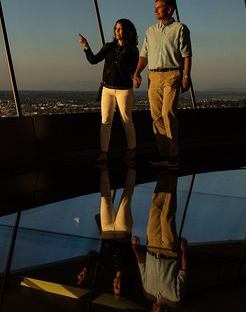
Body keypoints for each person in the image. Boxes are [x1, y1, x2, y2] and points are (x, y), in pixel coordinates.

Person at [132, 0, 192, 166]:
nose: (155, 10)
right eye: (155, 7)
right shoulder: (150, 31)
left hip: (172, 74)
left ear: (169, 9)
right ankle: (163, 154)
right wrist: (137, 73)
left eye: (158, 7)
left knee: (168, 112)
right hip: (154, 76)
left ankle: (174, 154)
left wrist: (186, 76)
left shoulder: (180, 28)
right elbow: (144, 55)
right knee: (156, 115)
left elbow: (187, 55)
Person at [79, 19, 139, 164]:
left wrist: (137, 77)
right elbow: (94, 60)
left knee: (126, 120)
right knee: (105, 121)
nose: (118, 31)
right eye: (116, 29)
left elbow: (134, 70)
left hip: (124, 90)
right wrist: (86, 47)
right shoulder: (108, 47)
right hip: (107, 89)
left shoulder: (132, 50)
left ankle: (132, 149)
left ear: (128, 31)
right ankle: (103, 152)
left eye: (121, 28)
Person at [77, 163, 137, 298]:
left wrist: (85, 269)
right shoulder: (130, 267)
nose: (116, 284)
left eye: (115, 287)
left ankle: (104, 168)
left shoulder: (107, 267)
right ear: (125, 284)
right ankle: (131, 167)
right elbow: (135, 251)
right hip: (123, 231)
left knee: (104, 199)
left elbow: (92, 255)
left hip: (107, 231)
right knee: (126, 199)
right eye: (119, 287)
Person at [131, 169, 188, 310]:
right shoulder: (174, 299)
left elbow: (142, 266)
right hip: (169, 251)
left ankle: (163, 172)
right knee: (167, 214)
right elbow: (183, 273)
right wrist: (184, 252)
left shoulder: (147, 292)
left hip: (152, 247)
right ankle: (172, 171)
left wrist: (135, 248)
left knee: (155, 208)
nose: (155, 310)